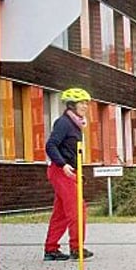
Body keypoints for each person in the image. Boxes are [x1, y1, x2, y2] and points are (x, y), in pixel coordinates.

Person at [43, 88, 95, 261]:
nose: (85, 106)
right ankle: (76, 248)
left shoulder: (76, 123)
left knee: (61, 212)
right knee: (77, 209)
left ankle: (51, 248)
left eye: (86, 103)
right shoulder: (64, 122)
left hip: (69, 170)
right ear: (71, 105)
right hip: (60, 171)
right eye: (81, 103)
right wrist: (63, 165)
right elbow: (51, 145)